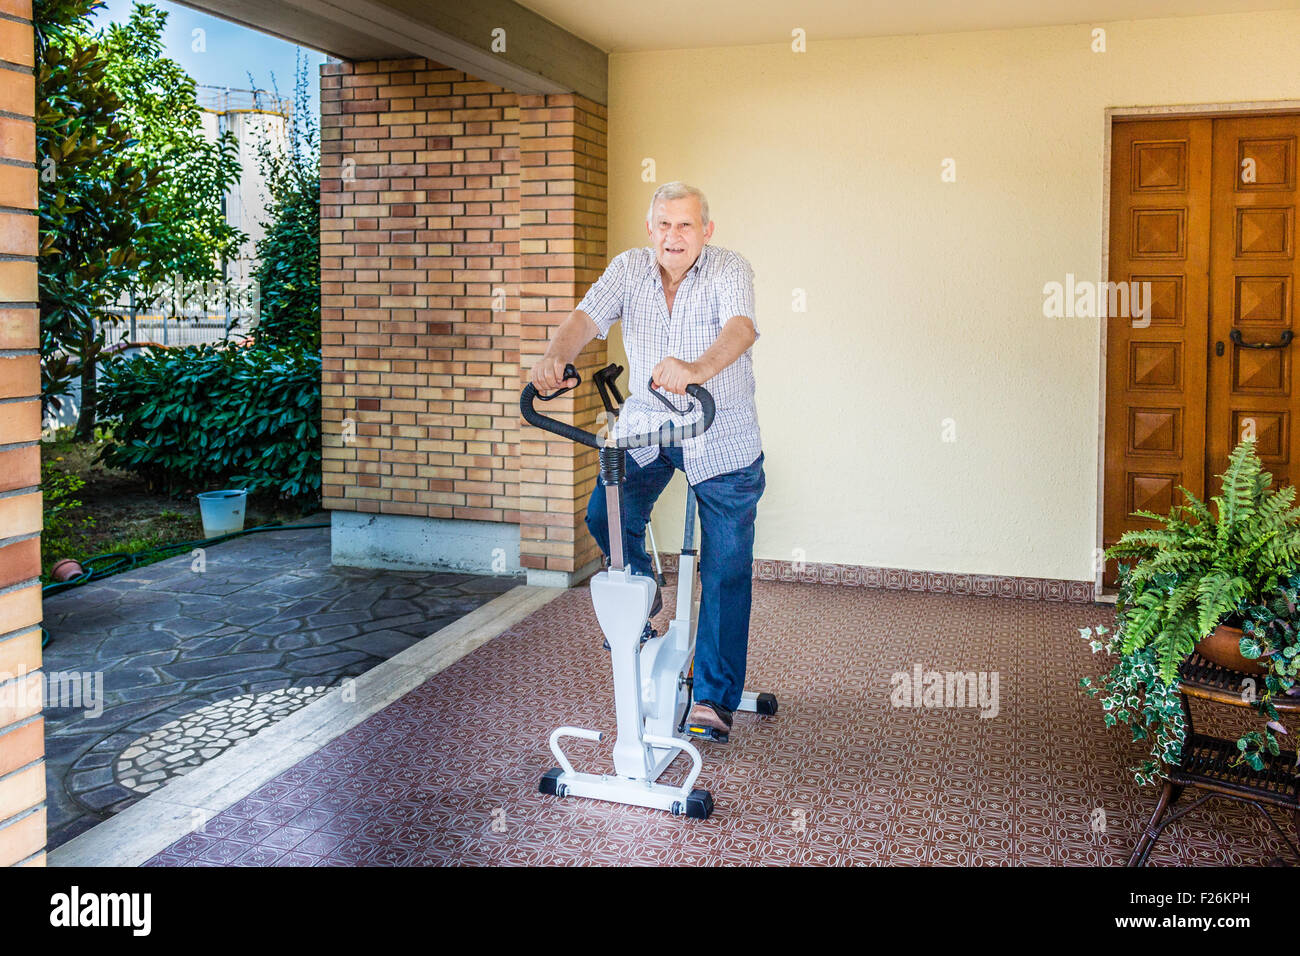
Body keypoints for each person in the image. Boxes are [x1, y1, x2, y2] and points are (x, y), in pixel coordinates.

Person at [527, 181, 765, 738]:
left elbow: (741, 329)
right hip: (649, 428)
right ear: (649, 228)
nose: (673, 236)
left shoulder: (730, 269)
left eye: (685, 225)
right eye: (663, 224)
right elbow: (586, 319)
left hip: (721, 430)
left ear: (706, 230)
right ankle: (641, 594)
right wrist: (554, 357)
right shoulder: (629, 268)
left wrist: (698, 368)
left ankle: (714, 695)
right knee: (602, 515)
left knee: (725, 565)